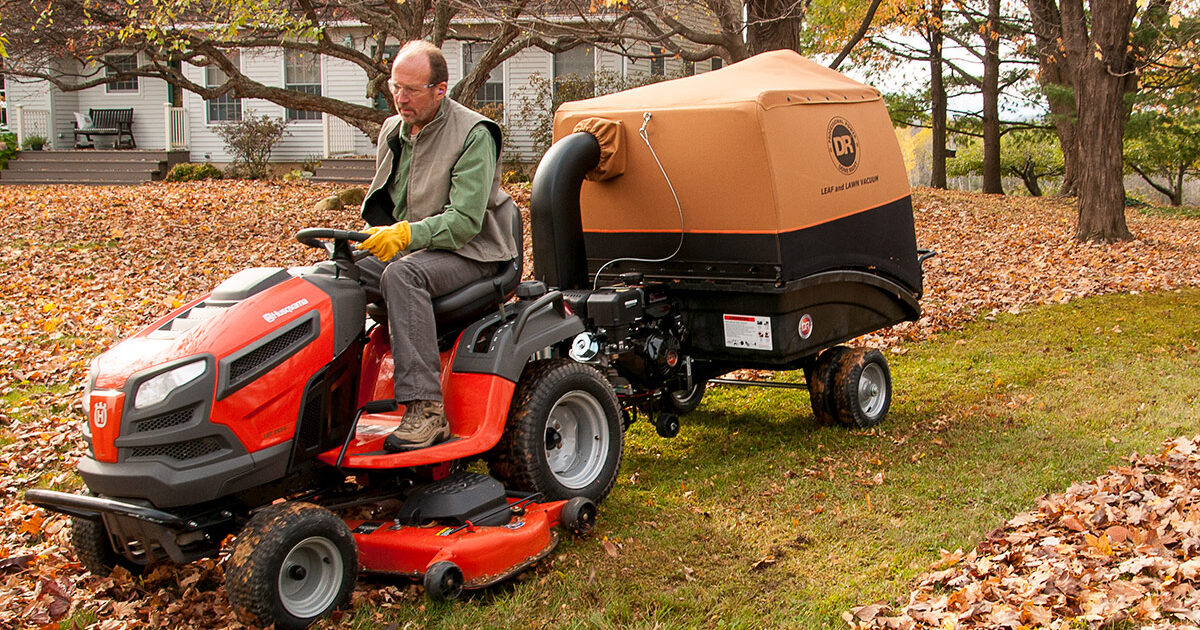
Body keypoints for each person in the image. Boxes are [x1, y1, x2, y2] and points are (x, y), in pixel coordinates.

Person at [356, 40, 519, 453]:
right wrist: (390, 236)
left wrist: (407, 235)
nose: (400, 97)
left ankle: (426, 412)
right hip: (419, 248)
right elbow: (393, 207)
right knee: (338, 273)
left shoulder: (474, 134)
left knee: (403, 275)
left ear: (440, 89)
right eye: (395, 87)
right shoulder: (393, 131)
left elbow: (465, 223)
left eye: (411, 89)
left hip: (476, 253)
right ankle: (329, 399)